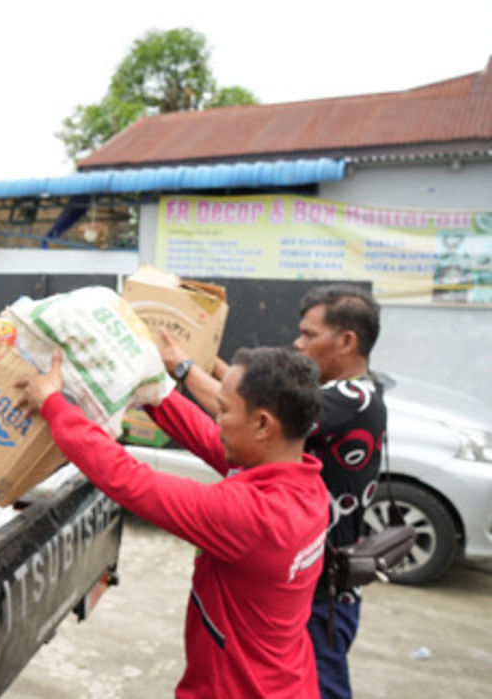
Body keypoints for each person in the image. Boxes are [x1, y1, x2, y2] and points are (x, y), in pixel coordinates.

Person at [16, 346, 328, 698]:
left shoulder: (253, 518)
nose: (217, 419)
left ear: (262, 425)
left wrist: (54, 405)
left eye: (224, 410)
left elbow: (131, 481)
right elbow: (209, 438)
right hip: (287, 682)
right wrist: (149, 390)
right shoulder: (305, 484)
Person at [158, 284, 385, 699]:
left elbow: (251, 410)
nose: (298, 344)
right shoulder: (357, 395)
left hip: (316, 596)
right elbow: (250, 399)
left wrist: (181, 371)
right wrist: (206, 368)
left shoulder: (348, 398)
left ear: (347, 341)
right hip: (306, 591)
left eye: (310, 335)